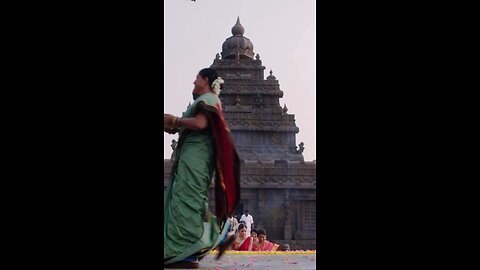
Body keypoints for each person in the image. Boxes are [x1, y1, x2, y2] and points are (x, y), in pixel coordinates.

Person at [163, 68, 241, 269]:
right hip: (192, 157)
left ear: (206, 80)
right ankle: (215, 235)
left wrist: (176, 121)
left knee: (186, 200)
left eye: (197, 78)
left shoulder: (208, 98)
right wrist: (175, 126)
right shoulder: (206, 99)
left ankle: (185, 251)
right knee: (189, 199)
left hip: (196, 158)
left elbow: (201, 123)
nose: (193, 82)